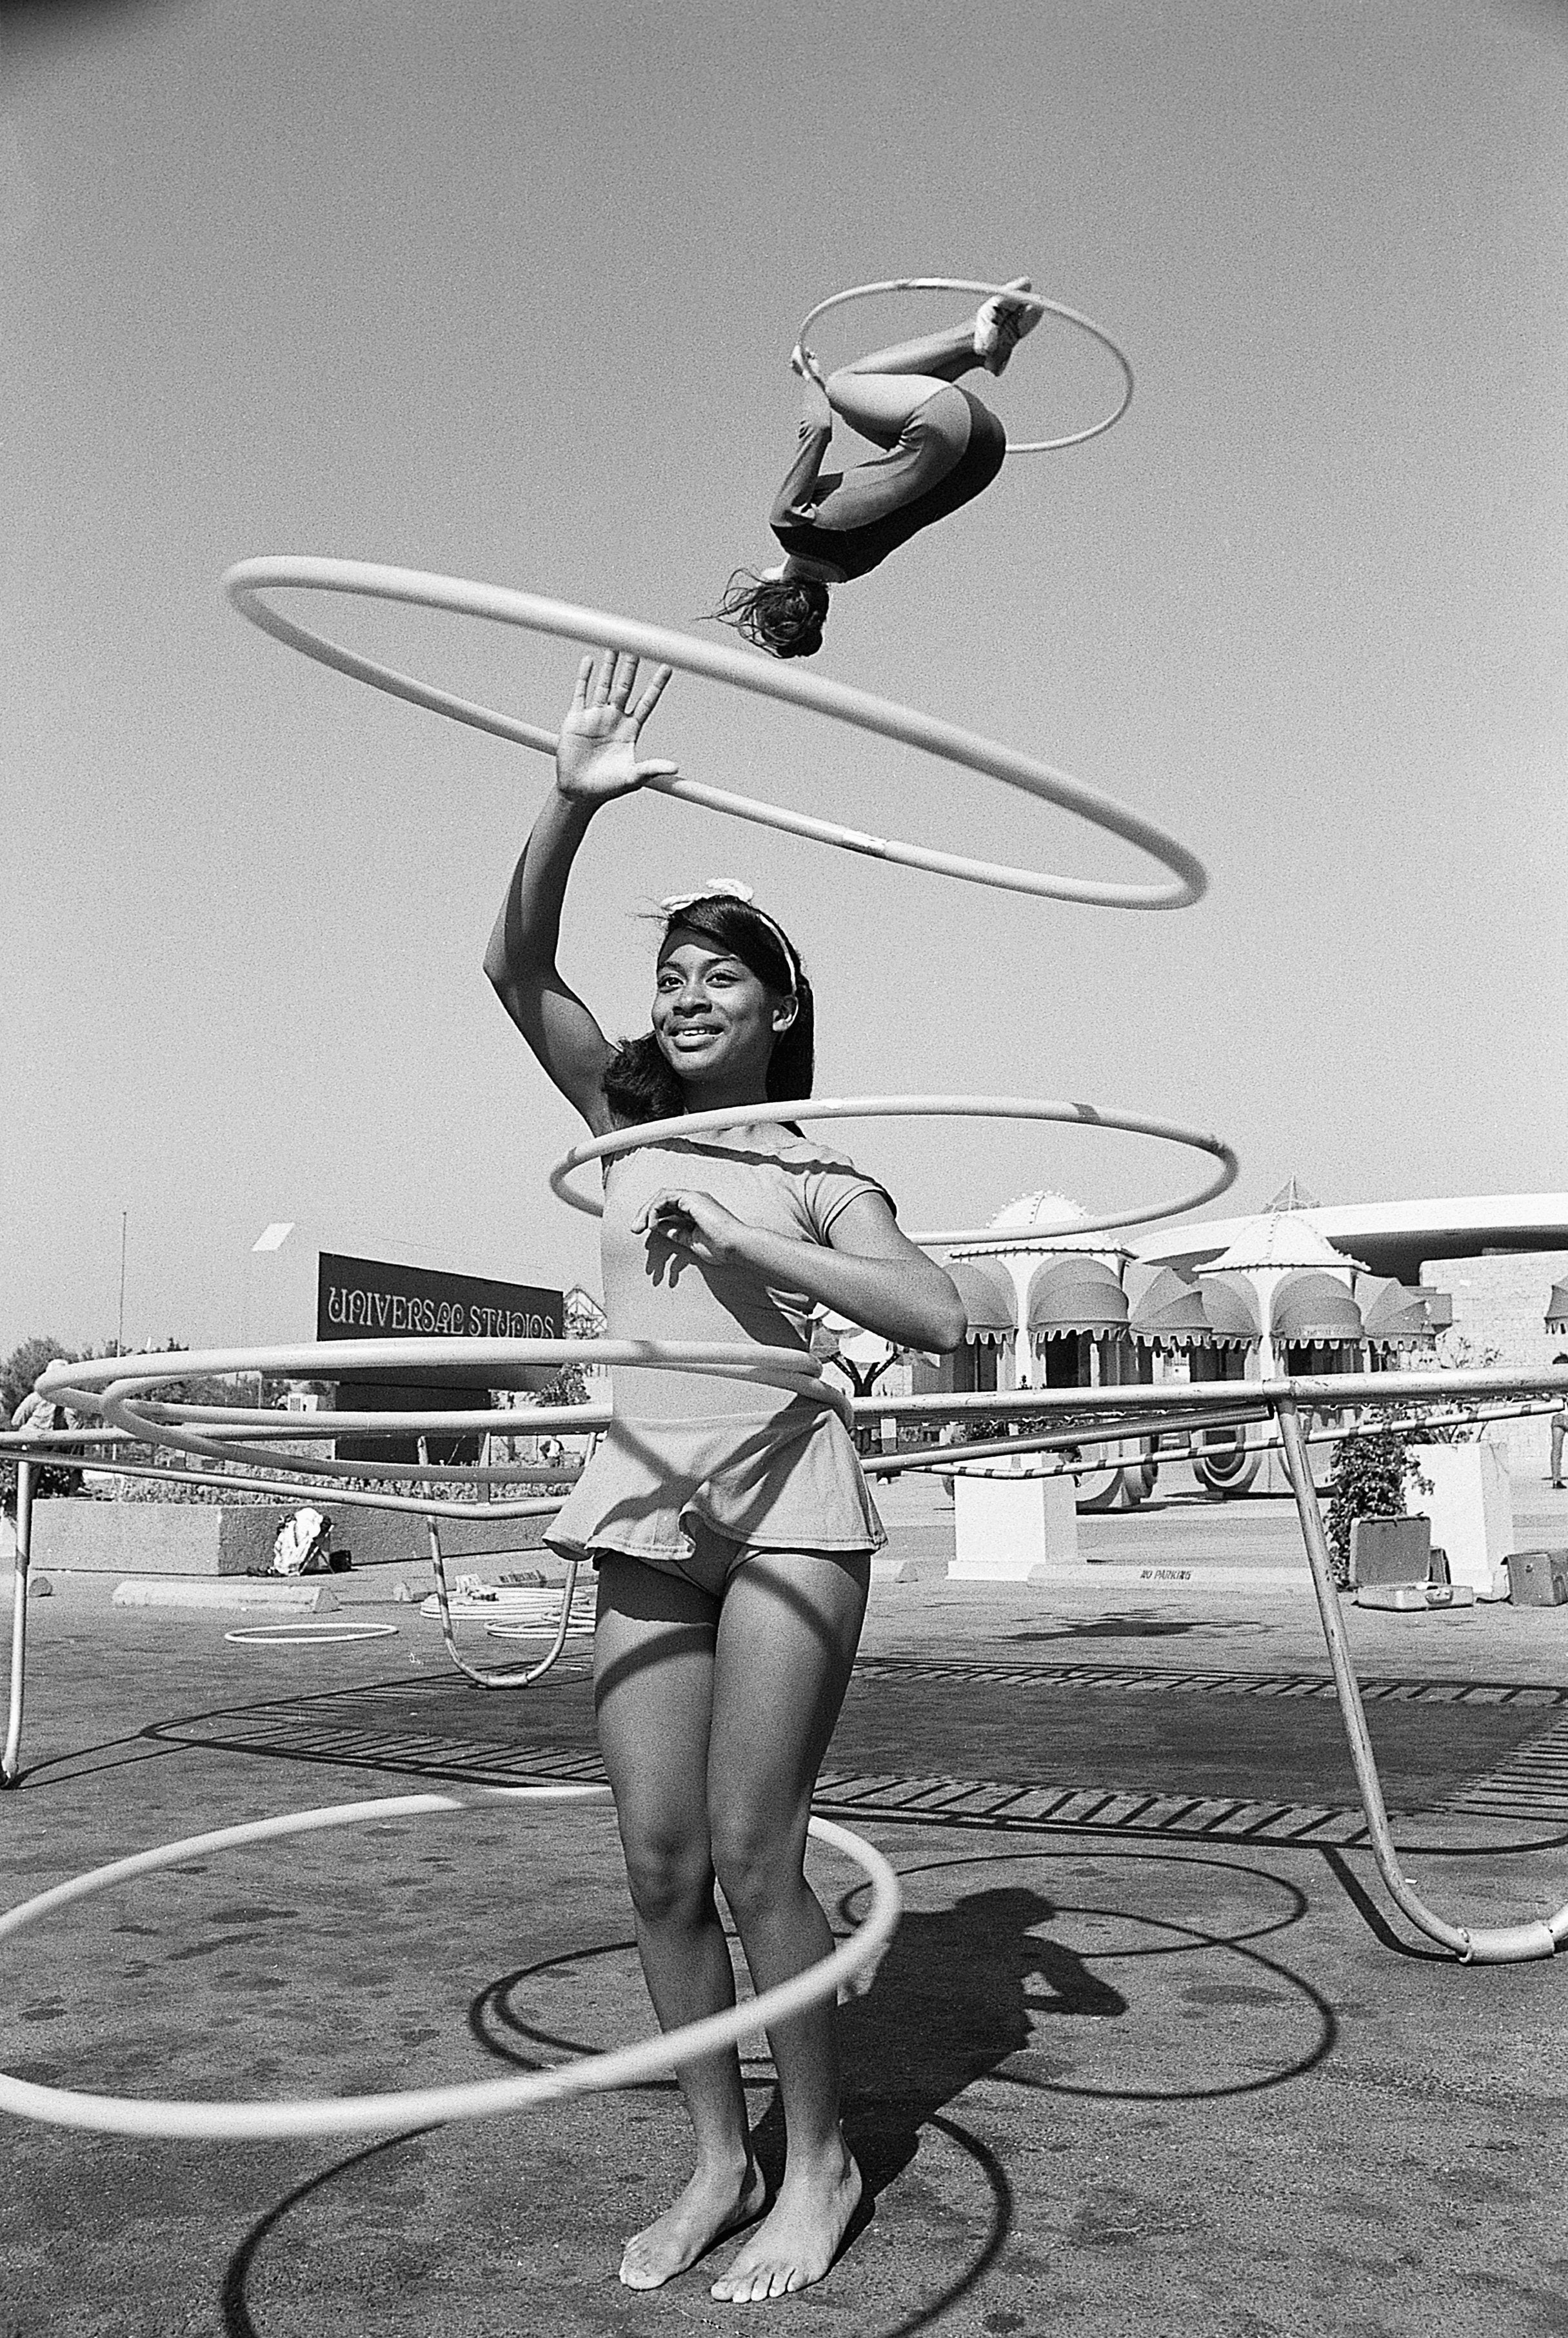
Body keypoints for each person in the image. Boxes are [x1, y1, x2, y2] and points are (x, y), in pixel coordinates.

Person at [482, 649, 966, 2303]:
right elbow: (511, 960)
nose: (683, 996)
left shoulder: (824, 1170)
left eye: (717, 979)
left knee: (760, 1847)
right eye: (673, 973)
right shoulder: (613, 1120)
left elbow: (939, 1310)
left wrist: (755, 1230)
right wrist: (573, 793)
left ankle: (817, 2159)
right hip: (642, 1499)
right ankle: (717, 2150)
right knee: (656, 1857)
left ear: (780, 1012)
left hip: (785, 1506)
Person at [713, 281, 1041, 659]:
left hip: (983, 460)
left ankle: (985, 351)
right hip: (950, 426)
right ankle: (972, 337)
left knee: (894, 441)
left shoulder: (854, 568)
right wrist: (811, 379)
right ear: (771, 584)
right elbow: (818, 430)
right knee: (842, 388)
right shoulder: (789, 525)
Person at [1551, 1356, 1568, 1489]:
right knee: (1557, 1450)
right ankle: (1556, 1479)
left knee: (1557, 1450)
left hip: (1558, 1416)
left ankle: (1556, 1479)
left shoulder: (1553, 1381)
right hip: (1560, 1415)